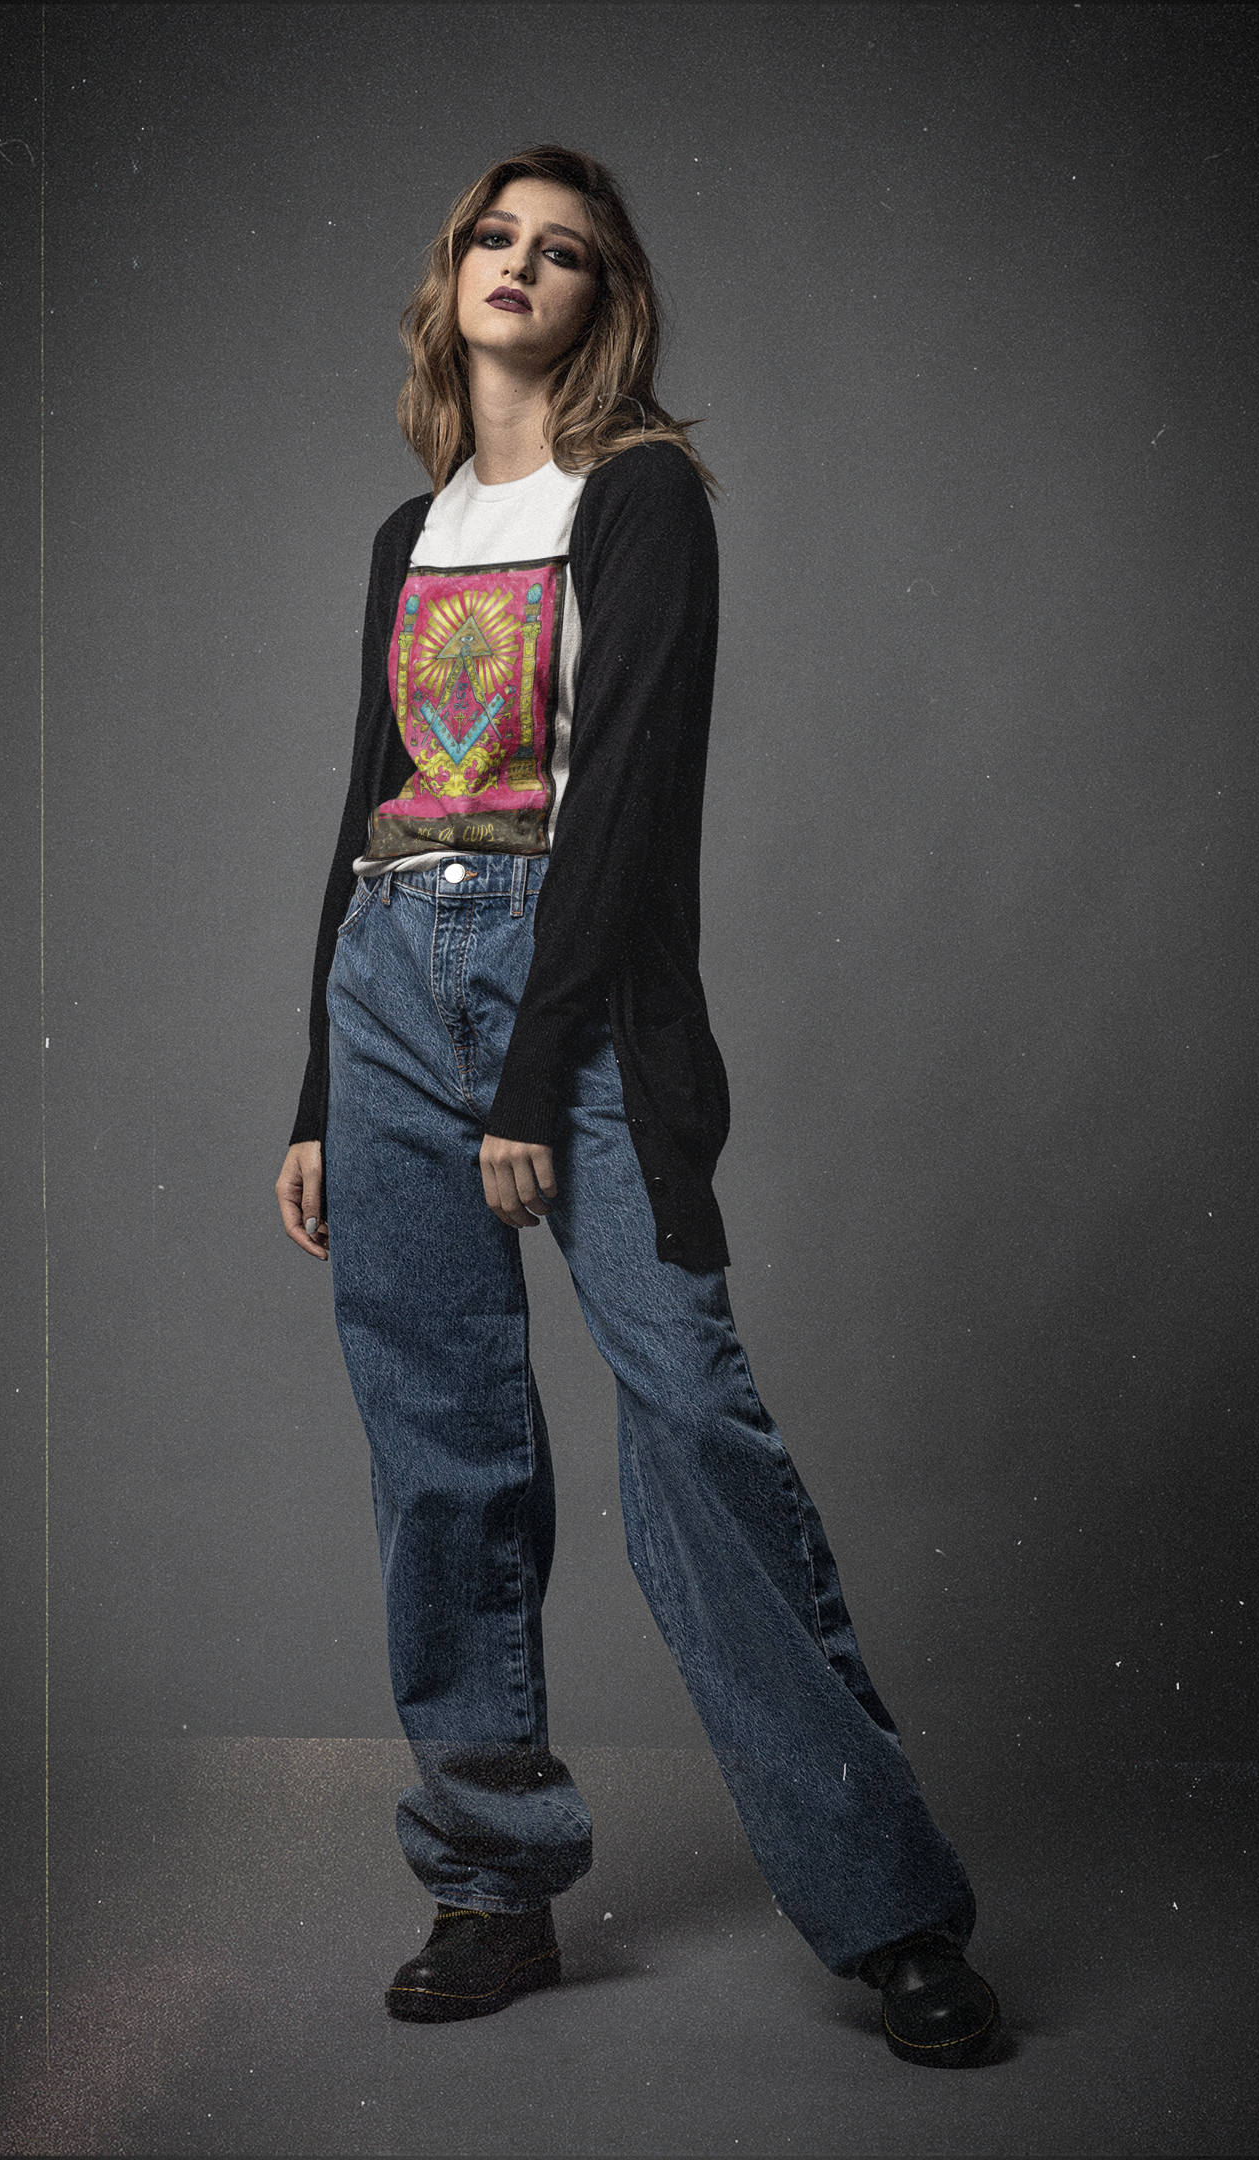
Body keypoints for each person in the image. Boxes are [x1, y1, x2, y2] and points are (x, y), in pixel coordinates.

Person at [275, 143, 1001, 2068]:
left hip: (566, 997)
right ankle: (493, 1885)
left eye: (566, 252)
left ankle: (889, 1906)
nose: (523, 267)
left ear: (606, 302)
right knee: (442, 1450)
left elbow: (627, 811)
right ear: (451, 277)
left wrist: (532, 1071)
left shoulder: (644, 495)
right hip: (388, 984)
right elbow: (368, 811)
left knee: (689, 1421)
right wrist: (319, 1094)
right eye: (496, 238)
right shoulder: (405, 533)